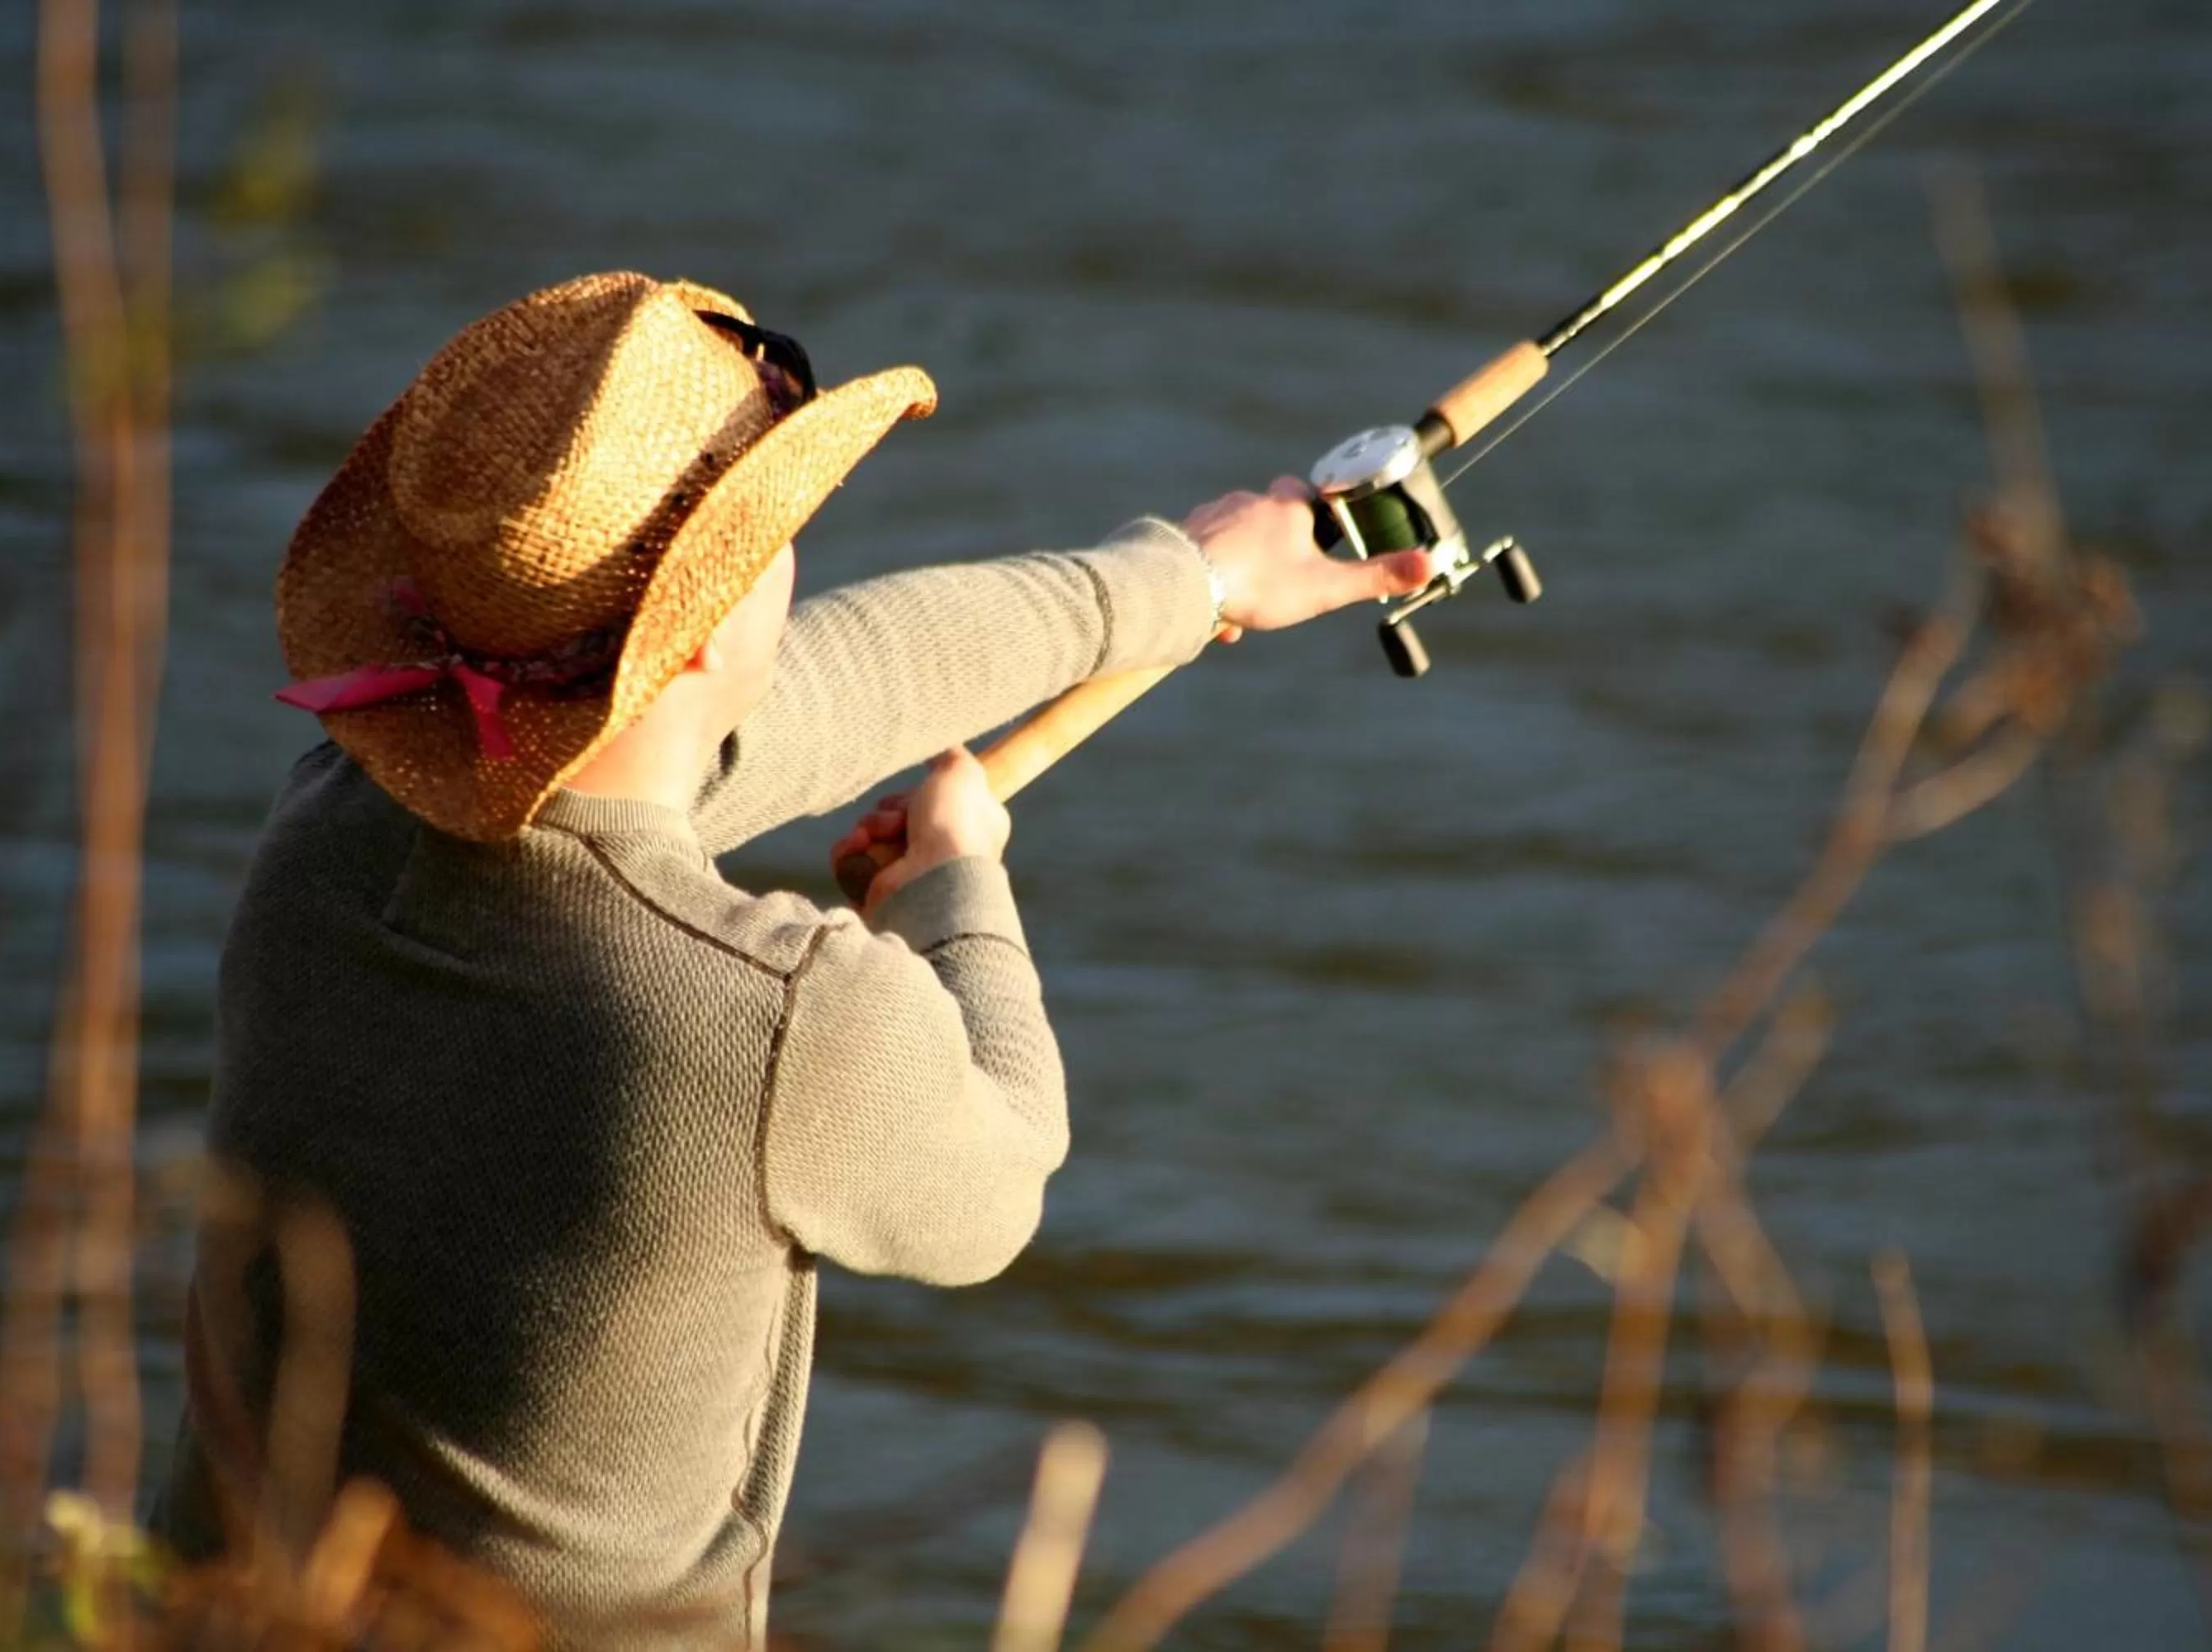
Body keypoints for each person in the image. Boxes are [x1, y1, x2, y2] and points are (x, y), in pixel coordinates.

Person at [151, 271, 1430, 1646]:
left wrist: (1180, 580)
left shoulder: (331, 819)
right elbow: (997, 1187)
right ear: (699, 630)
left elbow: (826, 691)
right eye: (777, 533)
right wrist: (958, 897)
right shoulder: (773, 1015)